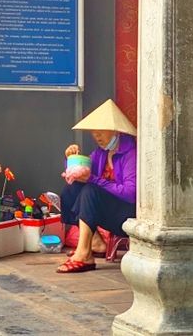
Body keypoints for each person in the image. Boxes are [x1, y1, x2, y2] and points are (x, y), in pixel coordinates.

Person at [57, 99, 137, 274]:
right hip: (108, 213)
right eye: (94, 132)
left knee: (91, 190)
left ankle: (84, 254)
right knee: (71, 190)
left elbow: (131, 193)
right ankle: (95, 243)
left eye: (101, 131)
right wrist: (71, 159)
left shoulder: (131, 153)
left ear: (116, 130)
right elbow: (80, 175)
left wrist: (93, 179)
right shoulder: (101, 154)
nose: (96, 136)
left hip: (127, 215)